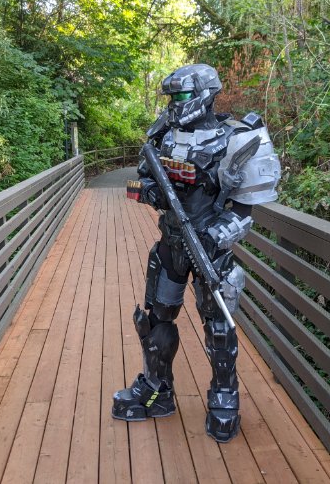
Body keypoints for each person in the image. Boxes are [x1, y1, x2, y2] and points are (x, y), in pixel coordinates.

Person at [113, 64, 281, 442]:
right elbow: (143, 180)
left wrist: (217, 235)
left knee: (218, 324)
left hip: (211, 246)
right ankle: (157, 390)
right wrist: (151, 191)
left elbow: (245, 208)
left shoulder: (237, 137)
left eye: (184, 95)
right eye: (172, 96)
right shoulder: (164, 134)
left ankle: (224, 395)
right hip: (172, 241)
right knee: (157, 318)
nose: (177, 102)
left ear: (206, 94)